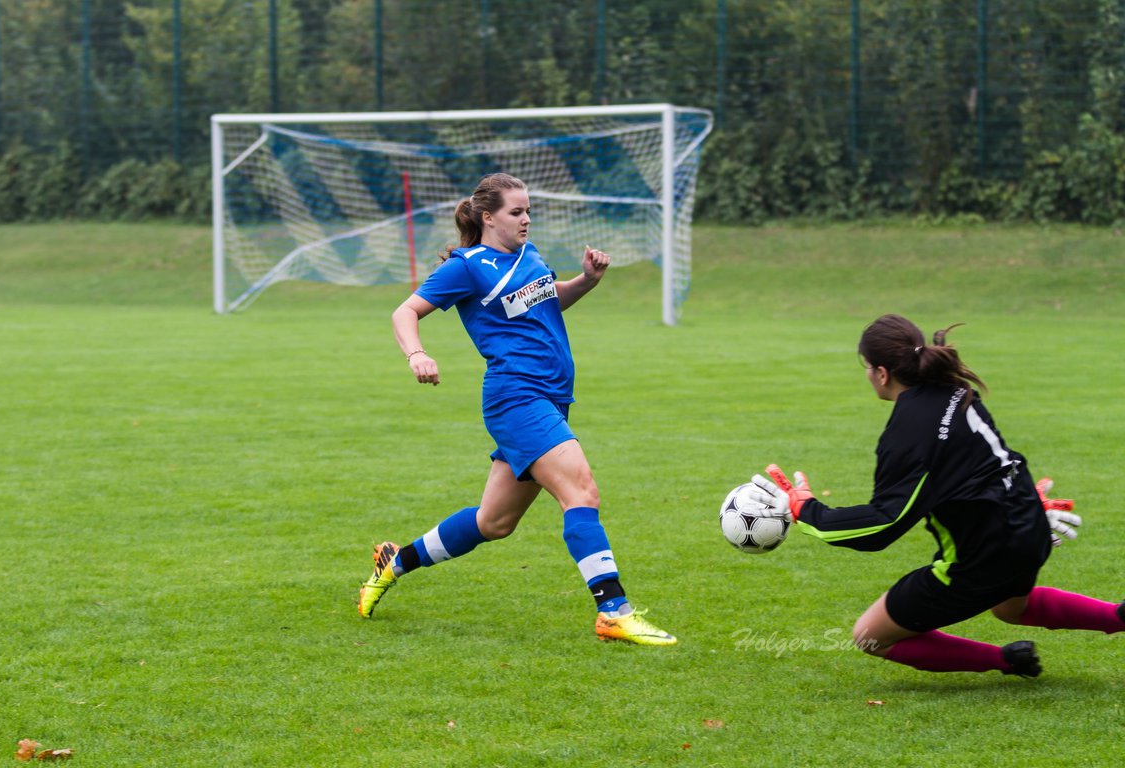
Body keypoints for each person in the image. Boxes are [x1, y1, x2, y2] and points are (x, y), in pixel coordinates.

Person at [357, 173, 676, 645]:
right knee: (582, 493)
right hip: (517, 398)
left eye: (528, 211)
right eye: (516, 211)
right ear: (488, 217)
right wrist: (416, 354)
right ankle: (613, 610)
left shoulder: (531, 255)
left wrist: (586, 281)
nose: (526, 219)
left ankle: (395, 561)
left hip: (550, 398)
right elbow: (404, 312)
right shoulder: (466, 267)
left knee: (494, 522)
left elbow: (548, 302)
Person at [750, 313, 1121, 676]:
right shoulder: (957, 391)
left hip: (978, 559)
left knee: (869, 636)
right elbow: (997, 460)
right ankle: (1118, 616)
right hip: (1029, 528)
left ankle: (1006, 661)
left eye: (866, 367)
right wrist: (1026, 508)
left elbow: (883, 525)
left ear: (881, 373)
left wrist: (806, 510)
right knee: (1010, 608)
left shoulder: (906, 435)